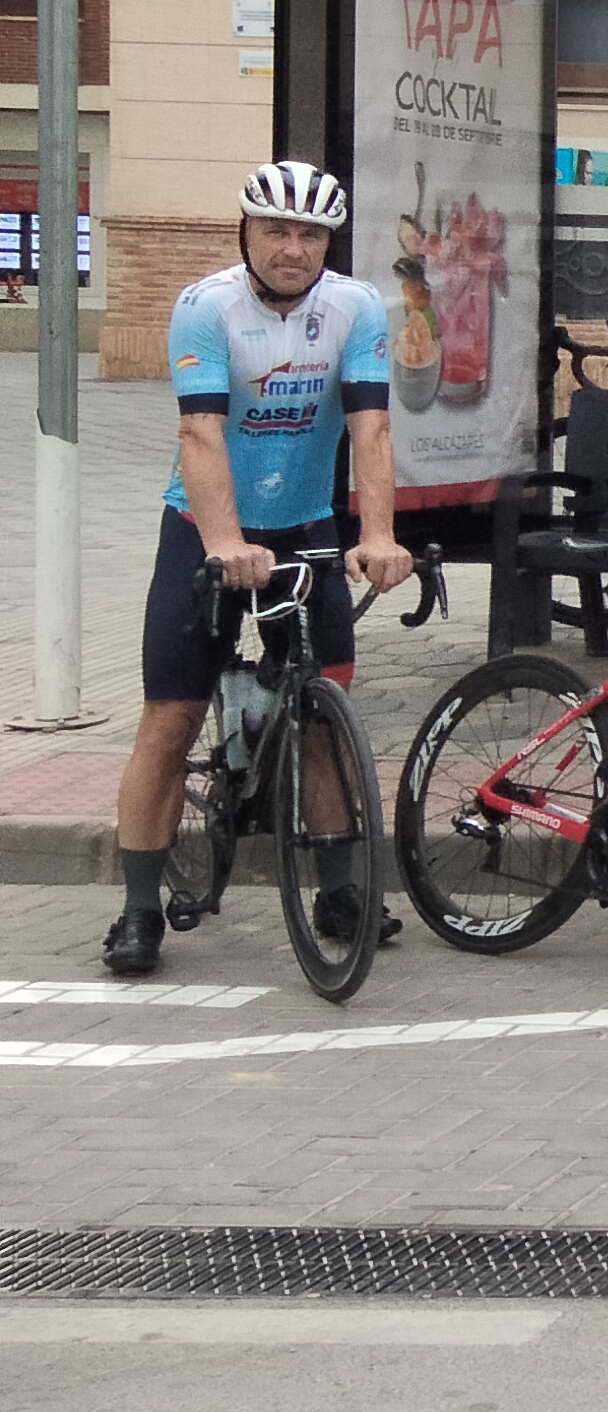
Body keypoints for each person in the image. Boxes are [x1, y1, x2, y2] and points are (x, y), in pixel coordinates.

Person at [105, 161, 412, 977]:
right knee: (171, 719)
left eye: (310, 234)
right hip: (202, 529)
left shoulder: (355, 307)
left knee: (324, 715)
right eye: (276, 230)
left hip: (307, 527)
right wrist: (224, 542)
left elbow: (373, 429)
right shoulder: (205, 308)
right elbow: (200, 435)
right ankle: (138, 909)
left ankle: (339, 891)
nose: (293, 248)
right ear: (246, 232)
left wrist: (379, 535)